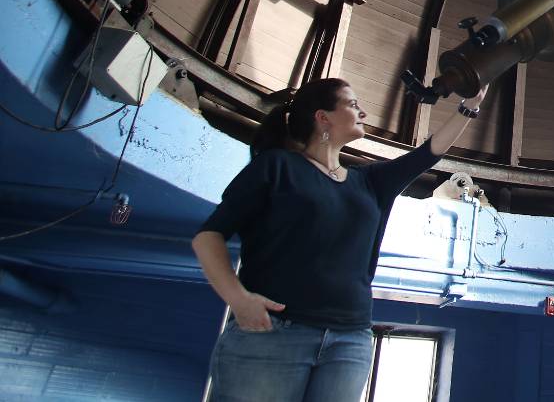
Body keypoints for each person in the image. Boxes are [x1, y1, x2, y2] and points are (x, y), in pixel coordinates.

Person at [191, 77, 481, 402]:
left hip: (350, 341)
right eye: (352, 104)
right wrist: (239, 299)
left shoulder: (369, 182)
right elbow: (208, 236)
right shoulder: (276, 167)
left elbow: (429, 153)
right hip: (272, 333)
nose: (364, 113)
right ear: (323, 116)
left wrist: (469, 106)